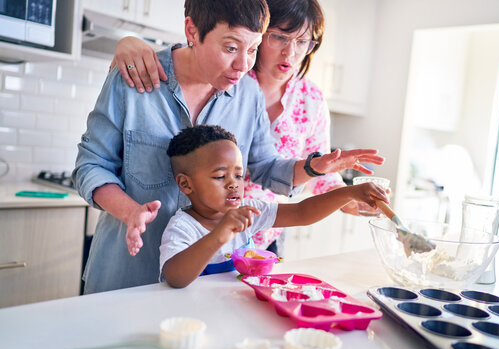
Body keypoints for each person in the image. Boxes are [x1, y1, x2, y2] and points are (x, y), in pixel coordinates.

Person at [74, 0, 384, 294]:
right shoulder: (135, 74)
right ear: (192, 31)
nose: (243, 64)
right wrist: (130, 212)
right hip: (126, 276)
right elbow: (90, 167)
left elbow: (263, 166)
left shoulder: (248, 93)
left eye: (252, 49)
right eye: (231, 47)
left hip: (207, 290)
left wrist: (313, 167)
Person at [161, 125, 388, 288]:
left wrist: (349, 192)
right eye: (220, 176)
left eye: (239, 175)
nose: (233, 184)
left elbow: (301, 212)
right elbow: (174, 278)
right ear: (185, 184)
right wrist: (220, 234)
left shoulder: (247, 209)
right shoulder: (183, 227)